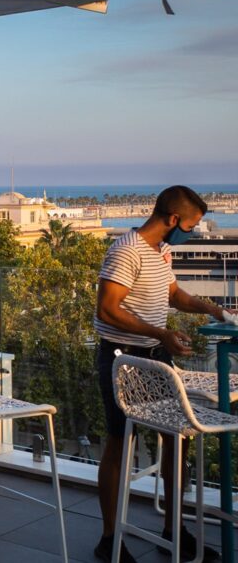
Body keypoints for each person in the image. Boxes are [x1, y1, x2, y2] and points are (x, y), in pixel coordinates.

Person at [92, 186, 232, 563]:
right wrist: (161, 333)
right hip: (123, 360)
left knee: (177, 441)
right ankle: (109, 540)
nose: (191, 231)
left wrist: (216, 311)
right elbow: (107, 309)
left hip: (155, 360)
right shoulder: (126, 250)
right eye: (190, 225)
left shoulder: (161, 251)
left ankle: (174, 530)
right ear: (173, 220)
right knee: (120, 444)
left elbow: (173, 295)